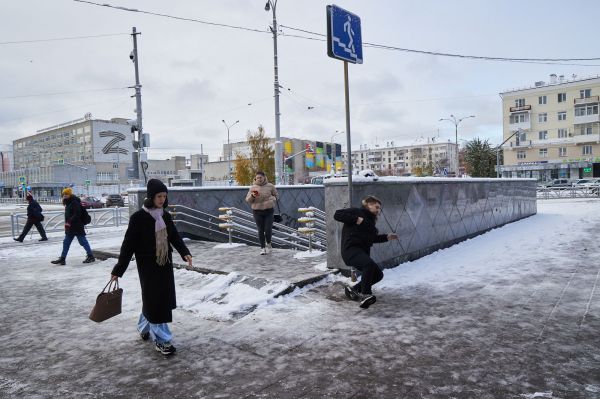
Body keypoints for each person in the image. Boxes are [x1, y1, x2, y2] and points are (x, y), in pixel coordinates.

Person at [110, 179, 192, 356]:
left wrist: (185, 252)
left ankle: (143, 326)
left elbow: (174, 237)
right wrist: (118, 270)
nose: (162, 199)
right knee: (156, 302)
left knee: (156, 300)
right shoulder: (138, 218)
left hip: (164, 263)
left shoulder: (165, 216)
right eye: (159, 196)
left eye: (164, 196)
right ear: (151, 197)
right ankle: (162, 340)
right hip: (147, 266)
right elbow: (128, 246)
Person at [333, 195, 398, 309]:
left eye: (379, 208)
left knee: (378, 274)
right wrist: (356, 219)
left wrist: (387, 237)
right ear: (368, 204)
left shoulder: (370, 223)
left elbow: (372, 238)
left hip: (361, 252)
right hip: (350, 250)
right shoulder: (357, 212)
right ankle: (365, 294)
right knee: (368, 265)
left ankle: (354, 289)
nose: (378, 210)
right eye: (376, 207)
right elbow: (337, 214)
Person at [51, 188, 95, 265]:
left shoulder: (74, 202)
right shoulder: (68, 202)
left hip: (77, 226)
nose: (64, 196)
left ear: (70, 194)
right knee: (66, 243)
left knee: (83, 242)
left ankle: (91, 256)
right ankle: (63, 258)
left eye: (66, 194)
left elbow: (77, 214)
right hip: (70, 227)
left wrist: (69, 221)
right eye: (64, 194)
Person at [245, 171, 278, 255]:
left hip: (269, 211)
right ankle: (262, 248)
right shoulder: (253, 187)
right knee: (260, 230)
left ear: (264, 177)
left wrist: (272, 198)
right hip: (257, 211)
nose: (259, 179)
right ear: (255, 178)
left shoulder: (270, 186)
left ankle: (269, 243)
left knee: (268, 229)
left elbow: (276, 196)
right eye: (257, 178)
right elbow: (247, 200)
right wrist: (252, 196)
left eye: (260, 177)